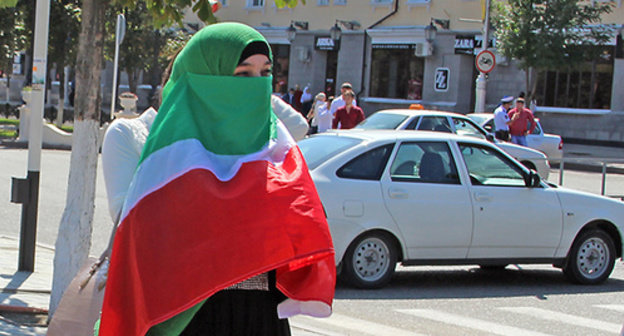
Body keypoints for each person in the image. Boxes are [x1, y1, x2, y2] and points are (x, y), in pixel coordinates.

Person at [98, 22, 335, 336]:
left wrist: (257, 100)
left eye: (265, 74)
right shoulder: (153, 147)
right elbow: (141, 232)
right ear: (204, 81)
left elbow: (300, 227)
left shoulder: (268, 148)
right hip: (184, 317)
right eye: (241, 75)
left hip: (259, 317)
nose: (256, 86)